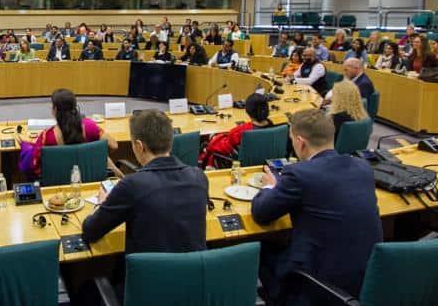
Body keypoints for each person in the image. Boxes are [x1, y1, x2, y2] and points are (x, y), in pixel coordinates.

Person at [251, 108, 382, 303]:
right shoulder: (362, 167)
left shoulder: (299, 174)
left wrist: (270, 186)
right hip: (369, 280)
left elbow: (261, 212)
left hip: (326, 289)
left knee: (257, 248)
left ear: (300, 142)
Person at [83, 109, 208, 254]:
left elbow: (91, 231)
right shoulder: (199, 177)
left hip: (148, 276)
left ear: (139, 146)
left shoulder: (132, 185)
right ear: (170, 142)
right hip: (192, 274)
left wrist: (101, 202)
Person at [24, 88, 118, 179]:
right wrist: (95, 156)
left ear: (55, 110)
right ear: (74, 107)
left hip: (58, 187)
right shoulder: (90, 126)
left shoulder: (47, 136)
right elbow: (114, 145)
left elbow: (33, 166)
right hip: (91, 183)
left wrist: (26, 147)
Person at [200, 93, 274, 167]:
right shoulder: (273, 127)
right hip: (266, 164)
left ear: (248, 111)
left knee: (207, 144)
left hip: (242, 167)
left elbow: (219, 147)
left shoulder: (242, 131)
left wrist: (213, 138)